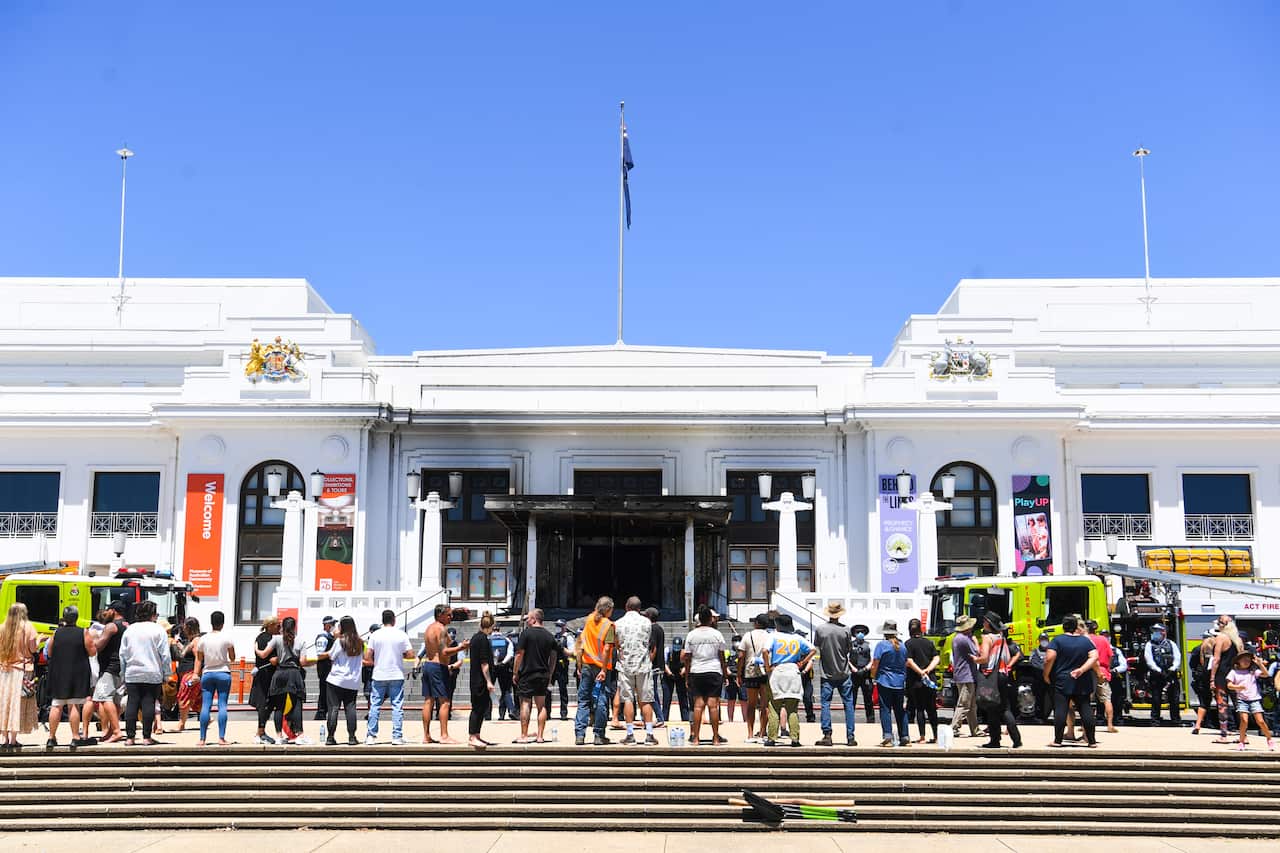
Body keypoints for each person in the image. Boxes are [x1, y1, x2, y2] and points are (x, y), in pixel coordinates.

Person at [119, 599, 172, 746]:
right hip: (152, 671)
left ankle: (130, 737)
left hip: (132, 671)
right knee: (149, 702)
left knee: (132, 702)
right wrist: (167, 673)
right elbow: (165, 655)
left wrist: (123, 673)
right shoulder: (158, 630)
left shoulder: (130, 630)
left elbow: (122, 654)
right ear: (153, 615)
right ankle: (146, 737)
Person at [1044, 614, 1099, 748]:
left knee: (1061, 709)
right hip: (1082, 680)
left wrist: (1046, 674)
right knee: (1085, 708)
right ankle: (1091, 741)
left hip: (1062, 679)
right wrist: (1082, 669)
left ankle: (1057, 740)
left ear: (1063, 627)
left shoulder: (1057, 640)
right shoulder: (1085, 641)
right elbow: (1094, 656)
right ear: (1076, 627)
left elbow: (1049, 658)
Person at [762, 613, 815, 747]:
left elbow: (764, 651)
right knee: (792, 708)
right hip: (793, 670)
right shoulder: (797, 638)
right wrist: (803, 662)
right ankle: (795, 738)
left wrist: (767, 667)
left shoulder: (773, 636)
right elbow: (813, 650)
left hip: (777, 670)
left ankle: (772, 737)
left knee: (774, 706)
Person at [45, 605, 94, 748]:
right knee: (74, 705)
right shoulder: (83, 632)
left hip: (59, 672)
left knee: (56, 705)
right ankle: (75, 736)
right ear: (76, 617)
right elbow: (92, 652)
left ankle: (51, 737)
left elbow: (50, 651)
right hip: (76, 673)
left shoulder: (57, 632)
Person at [513, 608, 565, 743]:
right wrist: (550, 672)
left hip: (527, 673)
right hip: (543, 674)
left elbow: (519, 655)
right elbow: (553, 657)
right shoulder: (549, 636)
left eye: (528, 618)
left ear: (534, 619)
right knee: (541, 705)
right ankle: (540, 736)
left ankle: (524, 735)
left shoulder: (526, 634)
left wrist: (515, 672)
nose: (527, 621)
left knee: (525, 703)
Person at [612, 597, 657, 745]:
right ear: (639, 608)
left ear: (626, 607)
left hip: (626, 665)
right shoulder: (647, 622)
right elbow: (648, 641)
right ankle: (649, 734)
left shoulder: (618, 623)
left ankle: (630, 734)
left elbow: (616, 644)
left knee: (628, 699)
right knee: (646, 699)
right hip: (643, 664)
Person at [420, 604, 468, 744]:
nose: (451, 617)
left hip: (428, 665)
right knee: (445, 701)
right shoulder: (441, 629)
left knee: (428, 701)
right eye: (448, 614)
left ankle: (426, 735)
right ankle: (444, 735)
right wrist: (460, 647)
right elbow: (444, 652)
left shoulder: (429, 628)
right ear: (440, 615)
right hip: (437, 667)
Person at [263, 616, 314, 744]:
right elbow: (302, 662)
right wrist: (310, 663)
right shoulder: (300, 641)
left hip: (280, 673)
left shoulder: (276, 639)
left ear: (282, 627)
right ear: (295, 627)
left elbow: (264, 654)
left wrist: (257, 649)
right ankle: (299, 735)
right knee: (297, 704)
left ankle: (279, 736)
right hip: (294, 674)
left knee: (278, 706)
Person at [366, 608, 414, 746]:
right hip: (396, 673)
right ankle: (397, 736)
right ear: (394, 620)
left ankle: (371, 736)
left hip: (379, 673)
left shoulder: (375, 635)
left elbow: (368, 656)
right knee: (397, 706)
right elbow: (410, 654)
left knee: (375, 705)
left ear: (382, 620)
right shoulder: (401, 634)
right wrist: (401, 655)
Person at [683, 605, 729, 746]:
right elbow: (722, 656)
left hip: (696, 671)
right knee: (713, 705)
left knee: (698, 705)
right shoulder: (716, 634)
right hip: (714, 670)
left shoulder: (692, 635)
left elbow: (687, 658)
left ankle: (696, 738)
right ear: (710, 619)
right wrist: (725, 674)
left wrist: (687, 676)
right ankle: (715, 738)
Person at [574, 596, 617, 746]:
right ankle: (599, 734)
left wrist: (579, 664)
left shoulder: (589, 619)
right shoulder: (609, 625)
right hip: (601, 668)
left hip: (586, 665)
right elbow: (606, 649)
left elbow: (580, 642)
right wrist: (604, 669)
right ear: (608, 609)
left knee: (583, 700)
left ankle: (580, 735)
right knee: (601, 700)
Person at [813, 601, 856, 747]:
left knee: (825, 703)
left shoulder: (820, 629)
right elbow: (848, 649)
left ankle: (827, 734)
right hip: (844, 671)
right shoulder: (846, 630)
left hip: (827, 673)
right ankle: (850, 736)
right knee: (848, 704)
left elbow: (817, 646)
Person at [976, 614, 1021, 749]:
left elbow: (984, 658)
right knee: (1004, 707)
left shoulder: (987, 638)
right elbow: (1007, 658)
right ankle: (1016, 738)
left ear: (989, 624)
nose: (982, 623)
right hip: (1003, 675)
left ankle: (995, 740)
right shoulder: (1001, 638)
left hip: (991, 676)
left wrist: (973, 659)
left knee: (991, 707)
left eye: (984, 621)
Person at [193, 610, 236, 746]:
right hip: (223, 672)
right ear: (222, 623)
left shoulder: (203, 639)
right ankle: (221, 738)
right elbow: (232, 657)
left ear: (211, 622)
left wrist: (195, 673)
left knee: (206, 705)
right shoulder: (227, 638)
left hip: (207, 673)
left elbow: (199, 659)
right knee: (222, 705)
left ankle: (202, 739)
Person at [0, 603, 38, 751]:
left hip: (4, 670)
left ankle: (4, 738)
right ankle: (14, 739)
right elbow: (33, 648)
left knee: (5, 704)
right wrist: (39, 641)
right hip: (22, 671)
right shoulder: (28, 627)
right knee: (18, 705)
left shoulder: (2, 628)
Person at [320, 616, 364, 746]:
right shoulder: (360, 642)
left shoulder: (339, 641)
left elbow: (331, 656)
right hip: (353, 680)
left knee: (333, 707)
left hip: (336, 679)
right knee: (350, 708)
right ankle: (351, 736)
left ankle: (330, 737)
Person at [91, 598, 130, 744]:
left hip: (110, 668)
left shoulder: (111, 626)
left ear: (113, 611)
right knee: (115, 700)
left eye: (108, 610)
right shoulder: (127, 625)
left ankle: (116, 731)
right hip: (122, 667)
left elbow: (98, 647)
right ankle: (108, 731)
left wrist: (92, 639)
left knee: (103, 697)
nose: (106, 612)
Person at [870, 619, 909, 747]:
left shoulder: (882, 645)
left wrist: (873, 676)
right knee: (900, 710)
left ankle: (888, 736)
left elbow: (875, 663)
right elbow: (905, 663)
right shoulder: (902, 645)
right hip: (899, 681)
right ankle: (905, 736)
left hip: (885, 680)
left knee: (885, 709)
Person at [1226, 650, 1274, 751]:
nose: (1246, 662)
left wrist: (1260, 664)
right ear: (1238, 661)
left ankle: (1269, 738)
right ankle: (1241, 741)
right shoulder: (1234, 672)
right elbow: (1229, 685)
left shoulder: (1252, 672)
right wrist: (1238, 687)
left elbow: (1266, 674)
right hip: (1242, 700)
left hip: (1254, 699)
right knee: (1244, 720)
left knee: (1260, 721)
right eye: (1244, 660)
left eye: (1248, 660)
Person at [737, 613, 772, 743]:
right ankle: (763, 733)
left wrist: (739, 674)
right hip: (766, 672)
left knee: (751, 704)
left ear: (756, 623)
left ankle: (750, 734)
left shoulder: (748, 635)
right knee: (765, 704)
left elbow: (741, 656)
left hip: (751, 672)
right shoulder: (770, 636)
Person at [904, 617, 939, 744]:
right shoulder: (929, 643)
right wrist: (928, 670)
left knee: (919, 708)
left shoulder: (908, 643)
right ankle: (936, 735)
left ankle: (922, 736)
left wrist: (920, 672)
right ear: (921, 629)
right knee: (932, 708)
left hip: (916, 681)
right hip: (930, 680)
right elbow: (936, 658)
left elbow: (909, 661)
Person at [1210, 615, 1244, 743]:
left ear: (1222, 625)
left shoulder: (1221, 638)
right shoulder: (1238, 640)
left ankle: (1223, 735)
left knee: (1222, 705)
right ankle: (1243, 736)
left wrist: (1212, 678)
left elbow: (1216, 659)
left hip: (1222, 675)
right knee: (1239, 705)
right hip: (1236, 675)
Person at [249, 616, 281, 744]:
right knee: (265, 704)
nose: (279, 628)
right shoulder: (269, 639)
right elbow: (273, 660)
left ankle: (261, 731)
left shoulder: (259, 637)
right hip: (267, 675)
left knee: (266, 704)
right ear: (270, 625)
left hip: (261, 673)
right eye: (277, 625)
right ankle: (260, 733)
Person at [468, 613, 498, 749]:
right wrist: (489, 681)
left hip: (475, 678)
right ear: (490, 626)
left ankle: (477, 734)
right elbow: (484, 663)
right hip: (479, 680)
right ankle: (472, 736)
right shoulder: (483, 639)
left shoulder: (475, 638)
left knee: (481, 708)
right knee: (478, 708)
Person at [1143, 622, 1182, 726]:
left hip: (1171, 674)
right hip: (1156, 675)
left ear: (1164, 632)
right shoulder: (1149, 644)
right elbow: (1149, 659)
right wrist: (1158, 670)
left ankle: (1175, 719)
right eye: (1154, 631)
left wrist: (1172, 669)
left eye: (1158, 631)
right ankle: (1155, 720)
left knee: (1174, 698)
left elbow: (1177, 657)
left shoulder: (1171, 643)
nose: (1155, 633)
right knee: (1156, 698)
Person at [1083, 620, 1117, 733]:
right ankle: (1110, 725)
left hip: (1088, 672)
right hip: (1103, 671)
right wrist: (1107, 668)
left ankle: (1085, 726)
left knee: (1086, 701)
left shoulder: (1085, 639)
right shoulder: (1103, 639)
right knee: (1107, 699)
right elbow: (1111, 655)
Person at [950, 615, 981, 738]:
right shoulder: (964, 639)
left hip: (963, 674)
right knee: (964, 704)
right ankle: (954, 727)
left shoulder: (956, 638)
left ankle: (975, 729)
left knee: (971, 704)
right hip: (966, 675)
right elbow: (977, 652)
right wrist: (975, 641)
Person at [170, 617, 201, 733]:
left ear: (189, 628)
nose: (183, 630)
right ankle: (207, 718)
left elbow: (198, 658)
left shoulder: (196, 641)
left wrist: (196, 674)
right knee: (197, 700)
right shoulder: (191, 641)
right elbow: (184, 653)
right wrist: (177, 643)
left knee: (183, 697)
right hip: (187, 673)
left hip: (190, 674)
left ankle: (181, 724)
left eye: (184, 627)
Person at [1190, 627, 1217, 735]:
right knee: (1221, 702)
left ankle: (1198, 725)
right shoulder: (1217, 650)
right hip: (1214, 679)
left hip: (1202, 679)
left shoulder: (1197, 649)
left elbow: (1192, 664)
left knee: (1203, 703)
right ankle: (1228, 725)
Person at [849, 624, 875, 723]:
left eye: (862, 632)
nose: (860, 634)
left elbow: (873, 659)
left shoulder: (869, 644)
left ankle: (870, 719)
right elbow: (847, 658)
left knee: (868, 698)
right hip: (853, 674)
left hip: (866, 674)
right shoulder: (850, 644)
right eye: (857, 632)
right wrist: (853, 668)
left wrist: (865, 669)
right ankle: (850, 719)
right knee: (852, 699)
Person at [313, 615, 337, 721]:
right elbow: (320, 654)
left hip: (330, 667)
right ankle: (321, 713)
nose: (334, 627)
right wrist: (333, 653)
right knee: (324, 691)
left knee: (329, 691)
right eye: (333, 625)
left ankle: (325, 712)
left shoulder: (331, 637)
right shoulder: (323, 637)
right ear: (327, 626)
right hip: (324, 668)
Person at [490, 625, 516, 721]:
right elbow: (510, 654)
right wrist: (503, 663)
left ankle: (487, 714)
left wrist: (493, 663)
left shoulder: (489, 639)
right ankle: (511, 710)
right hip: (503, 667)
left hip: (491, 667)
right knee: (505, 690)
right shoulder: (506, 640)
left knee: (489, 690)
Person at [644, 609, 665, 726]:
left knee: (651, 692)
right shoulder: (660, 628)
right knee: (651, 691)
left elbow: (653, 648)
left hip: (652, 666)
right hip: (658, 665)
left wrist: (648, 663)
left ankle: (659, 717)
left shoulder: (652, 629)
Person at [663, 636, 690, 725]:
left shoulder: (685, 652)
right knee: (666, 698)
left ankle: (685, 719)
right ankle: (664, 718)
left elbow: (688, 663)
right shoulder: (668, 651)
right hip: (669, 675)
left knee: (683, 698)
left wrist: (684, 670)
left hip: (680, 676)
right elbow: (664, 663)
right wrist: (669, 673)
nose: (676, 648)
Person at [552, 619, 575, 721]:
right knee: (548, 689)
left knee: (563, 690)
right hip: (552, 665)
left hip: (562, 666)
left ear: (564, 626)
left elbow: (572, 653)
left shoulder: (568, 637)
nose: (558, 627)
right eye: (557, 625)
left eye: (560, 625)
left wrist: (562, 648)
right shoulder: (554, 637)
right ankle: (547, 712)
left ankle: (563, 712)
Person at [1027, 631, 1053, 721]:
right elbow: (1034, 663)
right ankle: (1039, 716)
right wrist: (1045, 667)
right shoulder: (1035, 652)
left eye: (1045, 639)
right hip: (1038, 680)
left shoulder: (1052, 651)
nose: (1044, 641)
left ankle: (1051, 715)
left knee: (1052, 698)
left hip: (1050, 679)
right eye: (1042, 639)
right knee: (1039, 698)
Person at [795, 627, 817, 723]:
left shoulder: (808, 648)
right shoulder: (793, 647)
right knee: (794, 698)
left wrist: (804, 671)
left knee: (807, 698)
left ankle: (810, 716)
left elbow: (811, 661)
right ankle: (793, 718)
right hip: (794, 675)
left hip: (805, 676)